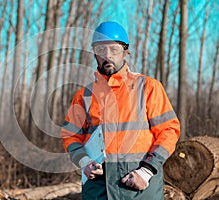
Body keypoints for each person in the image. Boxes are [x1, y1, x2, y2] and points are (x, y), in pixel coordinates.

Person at [61, 21, 180, 200]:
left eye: (114, 49)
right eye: (101, 50)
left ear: (126, 52)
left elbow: (169, 131)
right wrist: (85, 162)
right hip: (98, 189)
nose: (107, 55)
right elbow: (70, 136)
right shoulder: (84, 95)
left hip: (139, 188)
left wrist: (147, 171)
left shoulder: (148, 87)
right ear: (94, 53)